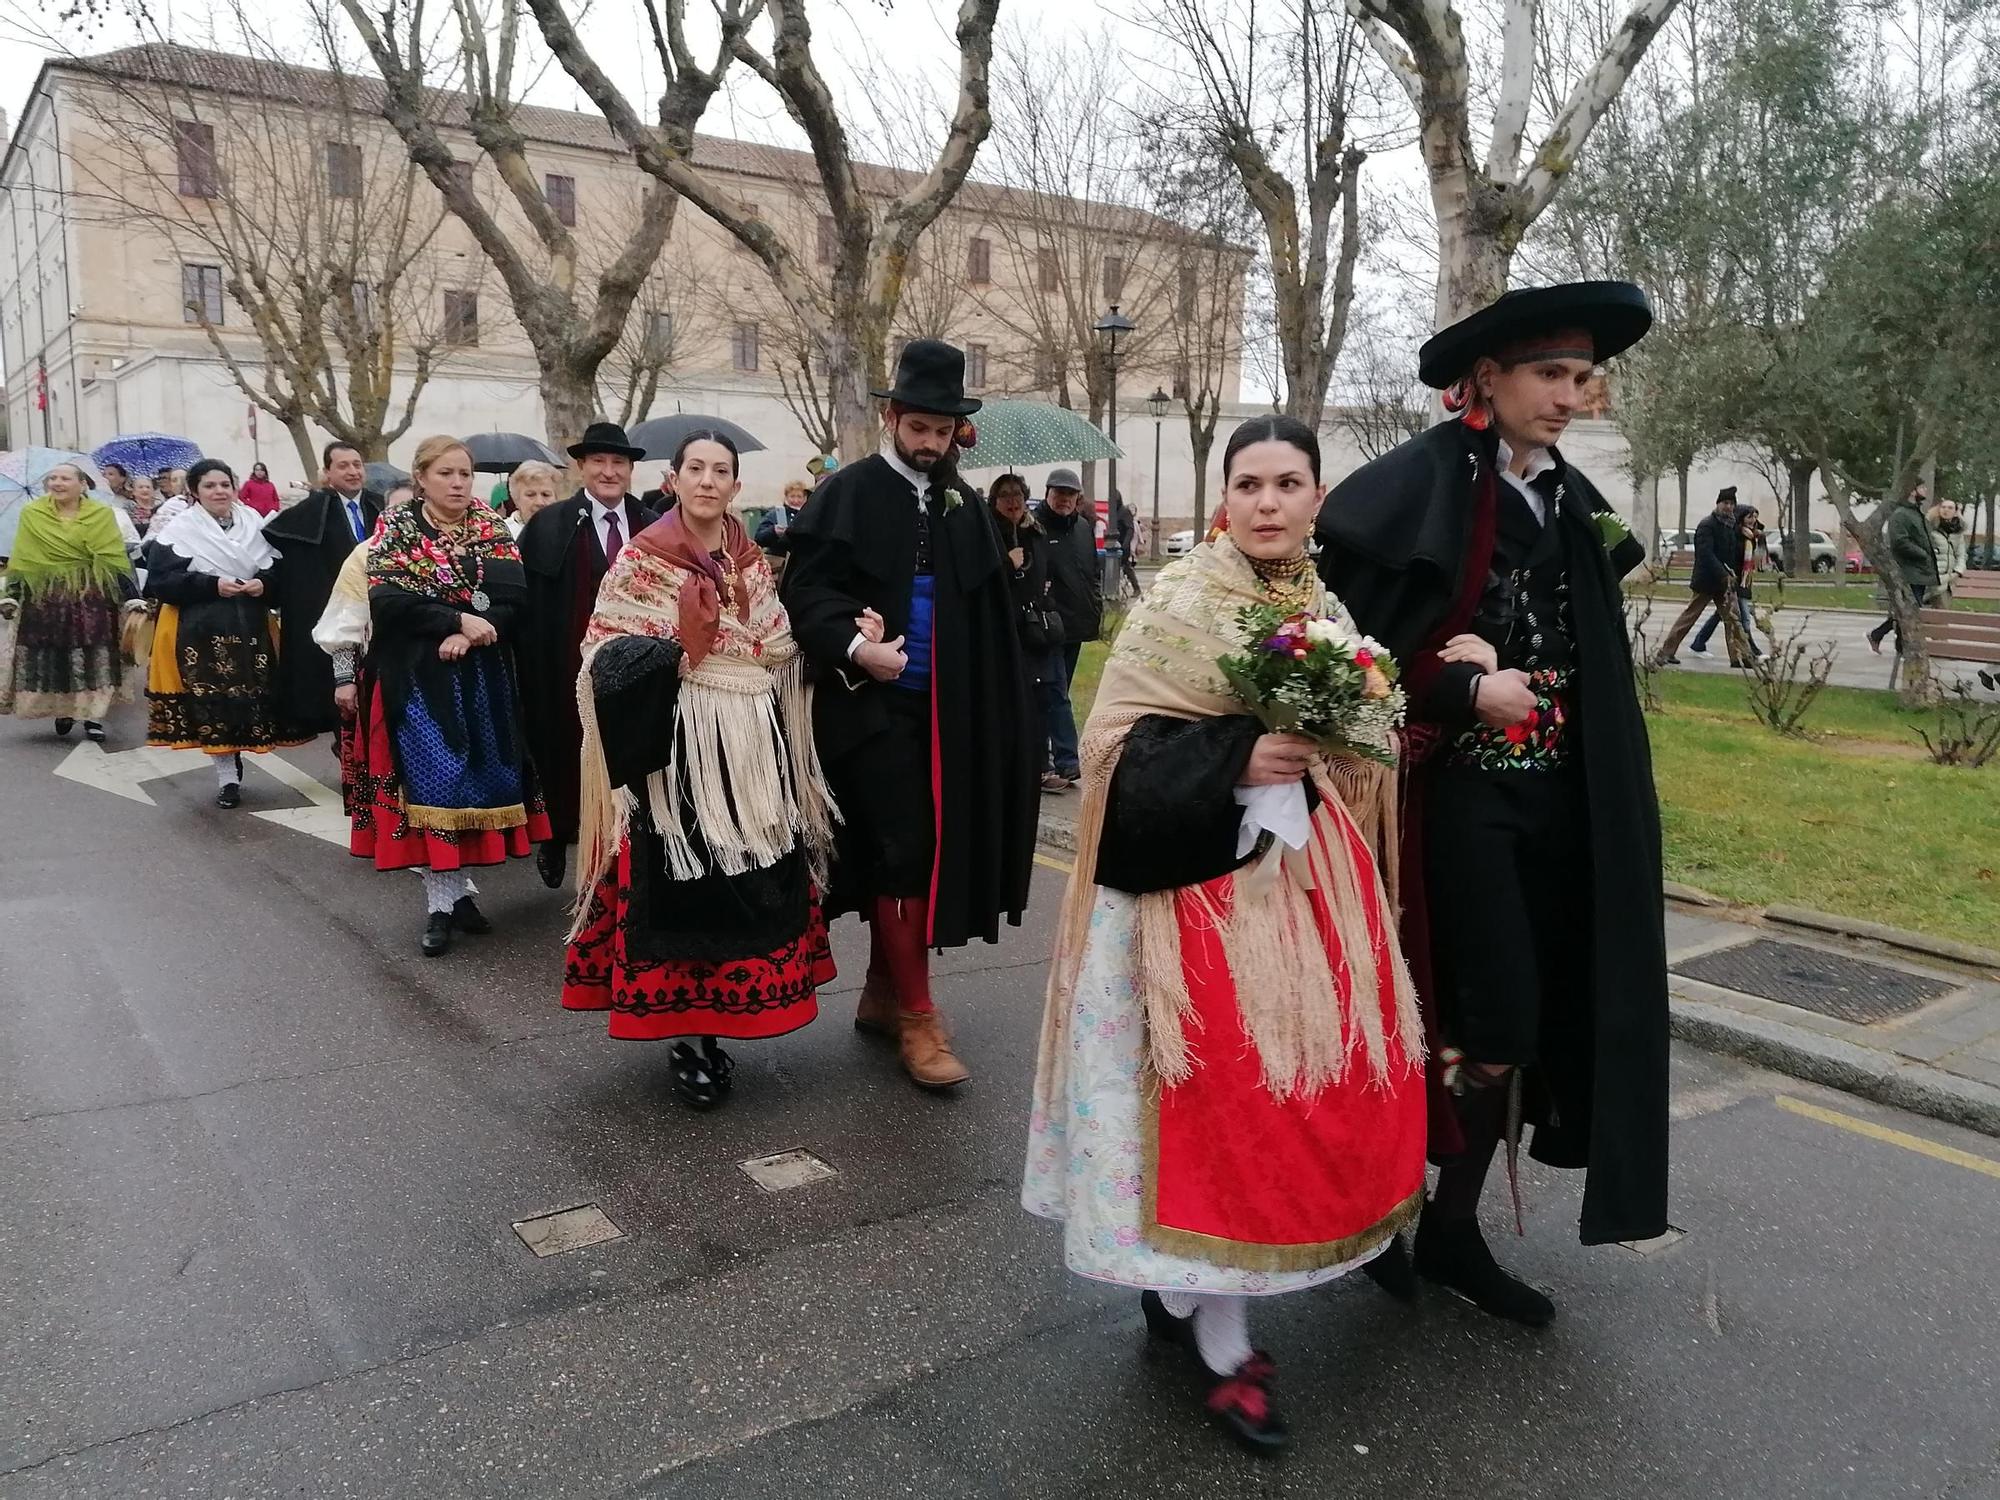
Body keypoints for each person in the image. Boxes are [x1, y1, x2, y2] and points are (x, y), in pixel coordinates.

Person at [1025, 415, 1425, 1454]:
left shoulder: (1323, 607)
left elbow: (1360, 736)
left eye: (1285, 483)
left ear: (1314, 498)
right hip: (1187, 896)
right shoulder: (1181, 601)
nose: (1264, 502)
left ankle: (1218, 1290)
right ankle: (1219, 1333)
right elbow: (1113, 744)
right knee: (1213, 1100)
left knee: (1294, 1096)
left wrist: (1342, 743)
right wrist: (1238, 760)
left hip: (1304, 879)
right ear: (1223, 497)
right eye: (1246, 483)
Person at [1316, 281, 1670, 1322]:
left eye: (1578, 378)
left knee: (1536, 1015)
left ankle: (1449, 1231)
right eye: (1548, 375)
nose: (1568, 396)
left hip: (1563, 803)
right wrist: (1458, 684)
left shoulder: (1566, 499)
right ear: (1486, 380)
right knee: (1458, 1015)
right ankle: (1385, 1214)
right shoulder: (1411, 488)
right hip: (1451, 802)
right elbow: (1348, 650)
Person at [780, 338, 1038, 1088]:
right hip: (871, 710)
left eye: (941, 430)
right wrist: (858, 652)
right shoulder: (849, 491)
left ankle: (882, 993)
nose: (928, 443)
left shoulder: (963, 502)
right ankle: (919, 1018)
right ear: (893, 417)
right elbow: (808, 596)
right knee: (903, 852)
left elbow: (986, 611)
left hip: (947, 716)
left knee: (919, 851)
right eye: (917, 427)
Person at [562, 433, 840, 1108]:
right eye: (697, 469)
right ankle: (688, 1036)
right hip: (677, 752)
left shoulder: (750, 561)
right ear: (674, 479)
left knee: (743, 879)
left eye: (722, 472)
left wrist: (840, 639)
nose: (709, 481)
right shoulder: (640, 560)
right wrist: (682, 647)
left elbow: (775, 644)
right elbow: (602, 652)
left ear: (737, 488)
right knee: (679, 887)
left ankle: (724, 1019)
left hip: (749, 750)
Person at [355, 435, 549, 956]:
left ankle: (458, 895)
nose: (458, 483)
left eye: (464, 473)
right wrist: (453, 618)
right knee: (435, 786)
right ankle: (440, 906)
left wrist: (471, 630)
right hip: (418, 677)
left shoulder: (490, 526)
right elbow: (388, 600)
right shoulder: (397, 528)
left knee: (473, 787)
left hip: (482, 678)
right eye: (446, 473)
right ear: (421, 478)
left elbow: (514, 600)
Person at [518, 421, 661, 890]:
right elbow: (530, 602)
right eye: (598, 461)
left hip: (634, 667)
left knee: (631, 754)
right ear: (581, 467)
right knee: (565, 750)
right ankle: (558, 833)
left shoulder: (653, 524)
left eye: (618, 462)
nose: (609, 471)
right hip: (565, 664)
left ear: (630, 470)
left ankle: (631, 853)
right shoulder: (550, 524)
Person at [142, 459, 302, 805]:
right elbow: (161, 582)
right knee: (212, 700)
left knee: (250, 696)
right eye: (210, 486)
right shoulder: (180, 530)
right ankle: (226, 775)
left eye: (224, 485)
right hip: (198, 628)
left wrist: (264, 585)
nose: (219, 492)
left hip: (251, 626)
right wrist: (212, 584)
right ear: (195, 492)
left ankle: (238, 755)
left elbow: (280, 572)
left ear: (234, 488)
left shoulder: (254, 525)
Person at [0, 461, 143, 742]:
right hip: (46, 598)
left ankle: (92, 717)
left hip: (92, 597)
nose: (57, 483)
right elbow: (23, 559)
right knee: (56, 657)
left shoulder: (102, 515)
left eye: (65, 478)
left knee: (94, 656)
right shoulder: (33, 514)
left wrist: (132, 598)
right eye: (52, 478)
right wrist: (11, 595)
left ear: (83, 485)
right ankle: (63, 708)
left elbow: (115, 561)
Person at [263, 441, 383, 740]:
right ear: (327, 473)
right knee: (337, 686)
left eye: (357, 465)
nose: (353, 472)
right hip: (333, 607)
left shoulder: (380, 506)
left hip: (378, 609)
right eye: (343, 466)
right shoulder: (311, 511)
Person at [989, 473, 1061, 792]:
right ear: (995, 501)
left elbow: (1046, 570)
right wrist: (1007, 563)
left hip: (1034, 629)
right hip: (1003, 630)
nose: (1012, 501)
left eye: (1017, 494)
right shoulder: (988, 530)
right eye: (1005, 495)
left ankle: (1039, 765)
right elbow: (985, 580)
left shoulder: (1034, 531)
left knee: (1041, 695)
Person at [1034, 467, 1100, 792]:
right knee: (1056, 691)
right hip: (1046, 628)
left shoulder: (1084, 528)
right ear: (1047, 493)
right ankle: (1066, 760)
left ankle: (1041, 757)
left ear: (1077, 499)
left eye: (1069, 494)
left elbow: (1091, 572)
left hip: (1076, 626)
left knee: (1055, 693)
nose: (1063, 499)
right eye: (1058, 493)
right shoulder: (1034, 527)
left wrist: (1096, 608)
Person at [1655, 488, 1739, 665]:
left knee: (1733, 619)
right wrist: (1723, 574)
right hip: (1707, 581)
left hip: (1724, 582)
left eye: (1731, 504)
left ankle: (1738, 657)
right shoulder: (1707, 524)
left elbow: (1730, 552)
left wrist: (1731, 573)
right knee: (1689, 617)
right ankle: (1666, 652)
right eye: (1725, 503)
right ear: (1718, 504)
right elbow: (1705, 554)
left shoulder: (1730, 525)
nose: (1728, 507)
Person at [1869, 484, 1941, 654]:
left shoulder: (1915, 513)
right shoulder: (1901, 514)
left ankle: (1880, 637)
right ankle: (1901, 647)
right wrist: (1923, 554)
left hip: (1919, 572)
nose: (1925, 490)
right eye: (1922, 487)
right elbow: (1900, 542)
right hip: (1909, 572)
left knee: (1909, 610)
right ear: (1911, 490)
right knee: (1907, 610)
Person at [1689, 503, 1763, 665]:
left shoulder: (1751, 536)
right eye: (1750, 516)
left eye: (1755, 517)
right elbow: (1728, 556)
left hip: (1743, 581)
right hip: (1733, 580)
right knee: (1741, 617)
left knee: (1725, 616)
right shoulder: (1736, 534)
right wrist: (1729, 576)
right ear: (1741, 517)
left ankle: (1699, 642)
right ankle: (1751, 650)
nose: (1753, 520)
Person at [501, 460, 561, 537]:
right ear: (516, 500)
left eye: (546, 495)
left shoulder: (569, 533)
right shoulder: (501, 534)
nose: (539, 502)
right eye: (530, 495)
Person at [754, 479, 813, 556]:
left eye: (799, 497)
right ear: (786, 497)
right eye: (792, 496)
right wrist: (774, 531)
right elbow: (758, 538)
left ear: (805, 498)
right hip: (778, 558)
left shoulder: (809, 514)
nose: (796, 500)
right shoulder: (774, 514)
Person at [1929, 497, 1969, 601]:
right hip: (1931, 578)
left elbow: (1961, 555)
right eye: (1943, 507)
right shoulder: (1930, 528)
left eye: (1950, 508)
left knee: (1942, 611)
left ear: (1955, 512)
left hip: (1949, 580)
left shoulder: (1958, 532)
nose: (1946, 510)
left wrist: (1958, 571)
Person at [123, 473, 162, 537]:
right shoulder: (128, 505)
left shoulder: (160, 505)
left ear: (153, 490)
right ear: (133, 491)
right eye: (140, 487)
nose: (145, 490)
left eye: (148, 487)